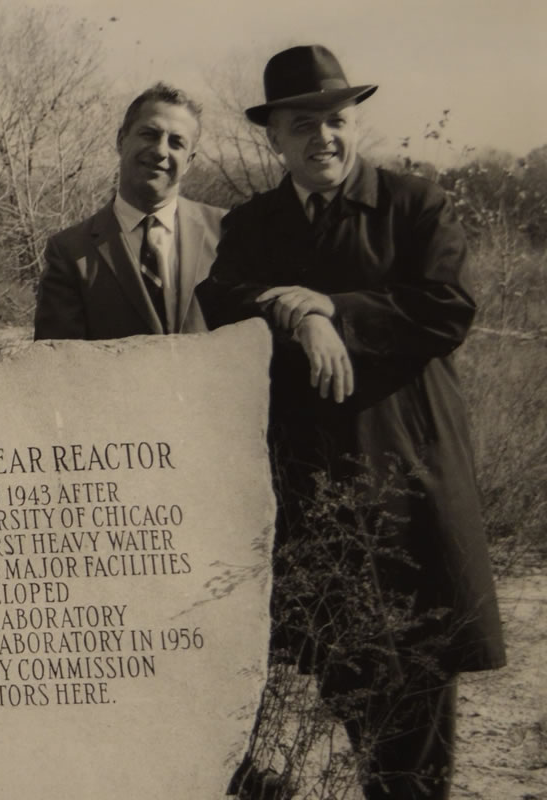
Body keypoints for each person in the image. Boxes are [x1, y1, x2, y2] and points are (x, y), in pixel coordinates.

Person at [196, 45, 505, 800]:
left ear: (356, 123)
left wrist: (332, 308)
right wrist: (286, 306)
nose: (322, 138)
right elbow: (221, 299)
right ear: (274, 138)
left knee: (413, 727)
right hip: (310, 503)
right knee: (329, 700)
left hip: (409, 494)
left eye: (336, 120)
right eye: (303, 125)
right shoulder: (254, 224)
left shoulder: (413, 206)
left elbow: (445, 309)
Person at [35, 83, 223, 340]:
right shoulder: (69, 252)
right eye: (149, 134)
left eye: (176, 142)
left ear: (190, 161)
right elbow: (59, 365)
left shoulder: (229, 232)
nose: (160, 150)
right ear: (121, 140)